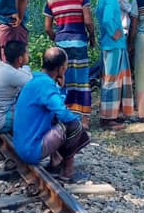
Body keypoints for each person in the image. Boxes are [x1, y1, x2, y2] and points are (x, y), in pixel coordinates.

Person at [12, 48, 92, 182]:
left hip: (21, 145)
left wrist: (61, 89)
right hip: (31, 150)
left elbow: (57, 107)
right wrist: (80, 124)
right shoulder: (46, 86)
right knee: (74, 125)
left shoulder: (36, 80)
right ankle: (67, 172)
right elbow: (65, 115)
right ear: (60, 69)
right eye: (66, 66)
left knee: (57, 120)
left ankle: (55, 162)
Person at [44, 0, 96, 124]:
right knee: (82, 80)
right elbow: (87, 21)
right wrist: (92, 36)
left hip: (61, 44)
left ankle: (64, 117)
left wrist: (57, 37)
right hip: (79, 42)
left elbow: (47, 27)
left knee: (62, 79)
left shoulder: (51, 0)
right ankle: (85, 120)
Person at [96, 0, 134, 129]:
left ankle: (113, 114)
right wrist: (115, 33)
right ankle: (108, 118)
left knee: (114, 78)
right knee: (112, 79)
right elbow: (106, 20)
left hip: (110, 44)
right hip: (113, 44)